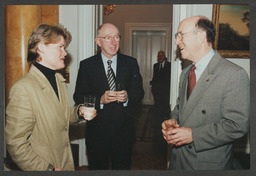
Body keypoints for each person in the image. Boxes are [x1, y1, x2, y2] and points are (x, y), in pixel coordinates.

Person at [162, 16, 249, 170]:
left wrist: (194, 135)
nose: (177, 42)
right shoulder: (186, 73)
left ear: (201, 36)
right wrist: (173, 120)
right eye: (177, 36)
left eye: (181, 35)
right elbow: (180, 106)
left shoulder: (234, 74)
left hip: (206, 165)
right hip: (178, 161)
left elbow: (237, 125)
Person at [5, 24, 96, 171]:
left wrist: (79, 112)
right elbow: (16, 142)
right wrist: (46, 169)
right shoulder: (23, 89)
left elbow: (60, 116)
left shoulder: (58, 81)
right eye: (60, 47)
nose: (65, 53)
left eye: (64, 48)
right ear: (41, 48)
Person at [73, 23, 144, 170]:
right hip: (97, 135)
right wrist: (100, 100)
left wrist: (127, 97)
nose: (114, 42)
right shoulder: (87, 65)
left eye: (117, 37)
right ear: (98, 41)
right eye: (108, 38)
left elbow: (139, 92)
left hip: (124, 134)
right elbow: (78, 96)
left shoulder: (130, 63)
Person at [150, 50, 171, 118]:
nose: (160, 57)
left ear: (164, 56)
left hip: (165, 91)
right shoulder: (155, 66)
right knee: (157, 106)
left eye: (161, 56)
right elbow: (154, 77)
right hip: (157, 90)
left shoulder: (169, 65)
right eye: (158, 56)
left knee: (165, 107)